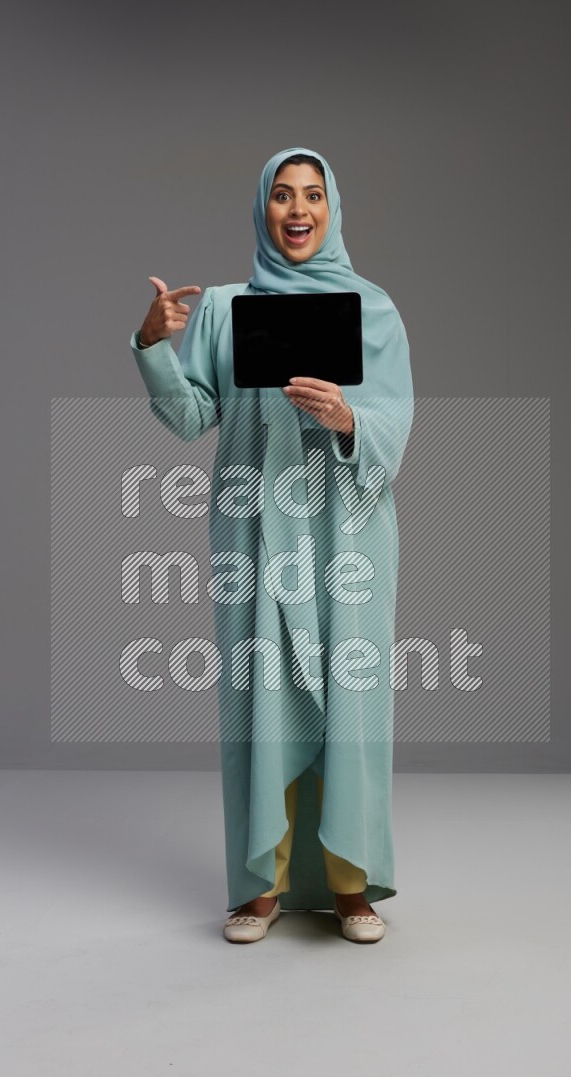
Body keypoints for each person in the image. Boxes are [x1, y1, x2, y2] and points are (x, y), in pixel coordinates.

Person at [130, 146, 414, 944]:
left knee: (352, 704)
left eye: (312, 196)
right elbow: (191, 419)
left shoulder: (373, 309)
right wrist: (153, 345)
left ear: (332, 208)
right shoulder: (224, 309)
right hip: (255, 531)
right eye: (282, 195)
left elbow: (396, 423)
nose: (297, 210)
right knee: (262, 701)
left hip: (347, 531)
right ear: (263, 209)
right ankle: (261, 884)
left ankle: (353, 884)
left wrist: (348, 418)